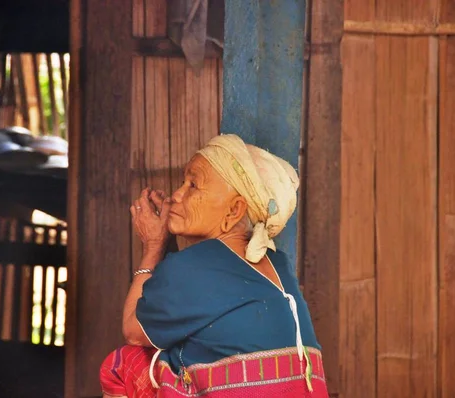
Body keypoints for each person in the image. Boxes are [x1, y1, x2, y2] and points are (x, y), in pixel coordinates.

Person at [100, 134, 328, 397]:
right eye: (183, 182)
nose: (177, 194)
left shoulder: (196, 267)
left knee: (124, 363)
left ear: (233, 211)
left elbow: (134, 331)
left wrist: (153, 246)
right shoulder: (278, 263)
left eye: (193, 185)